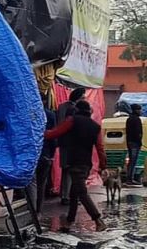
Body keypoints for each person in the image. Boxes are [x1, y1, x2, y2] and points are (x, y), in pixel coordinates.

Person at [45, 99, 107, 232]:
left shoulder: (72, 120)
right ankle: (69, 221)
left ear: (77, 110)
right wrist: (103, 165)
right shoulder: (95, 126)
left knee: (82, 193)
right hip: (86, 163)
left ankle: (98, 220)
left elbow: (56, 132)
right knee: (74, 192)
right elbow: (100, 147)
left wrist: (41, 134)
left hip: (74, 162)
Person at [56, 87, 86, 204]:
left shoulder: (62, 106)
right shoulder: (74, 110)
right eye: (83, 97)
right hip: (72, 145)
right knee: (72, 171)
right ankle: (70, 196)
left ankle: (64, 195)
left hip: (63, 143)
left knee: (65, 170)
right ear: (78, 98)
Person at [33, 92, 57, 216]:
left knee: (32, 183)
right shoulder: (50, 115)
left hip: (32, 154)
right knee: (41, 184)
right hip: (45, 153)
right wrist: (52, 154)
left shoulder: (29, 113)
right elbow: (53, 136)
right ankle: (38, 211)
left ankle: (32, 209)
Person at [125, 104, 143, 186]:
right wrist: (139, 141)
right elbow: (138, 133)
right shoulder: (136, 119)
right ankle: (130, 179)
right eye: (139, 109)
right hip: (135, 143)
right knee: (133, 161)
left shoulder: (129, 119)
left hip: (130, 142)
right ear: (136, 110)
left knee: (131, 161)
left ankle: (129, 178)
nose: (141, 111)